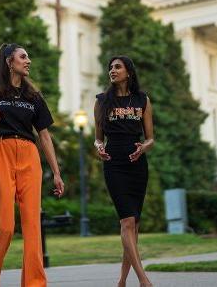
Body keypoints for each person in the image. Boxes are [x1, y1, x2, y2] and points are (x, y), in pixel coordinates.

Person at [0, 43, 65, 287]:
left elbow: (45, 135)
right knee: (5, 226)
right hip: (2, 152)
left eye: (28, 57)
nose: (28, 61)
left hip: (30, 156)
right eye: (23, 57)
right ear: (9, 61)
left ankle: (35, 283)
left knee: (33, 227)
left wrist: (57, 173)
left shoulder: (34, 96)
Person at [94, 56, 155, 287]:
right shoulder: (101, 101)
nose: (112, 70)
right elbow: (98, 139)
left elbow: (150, 138)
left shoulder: (142, 100)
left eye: (117, 67)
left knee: (134, 225)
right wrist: (99, 148)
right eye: (110, 67)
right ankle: (143, 280)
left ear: (128, 72)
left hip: (137, 162)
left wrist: (144, 147)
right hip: (114, 162)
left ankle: (121, 281)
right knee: (127, 221)